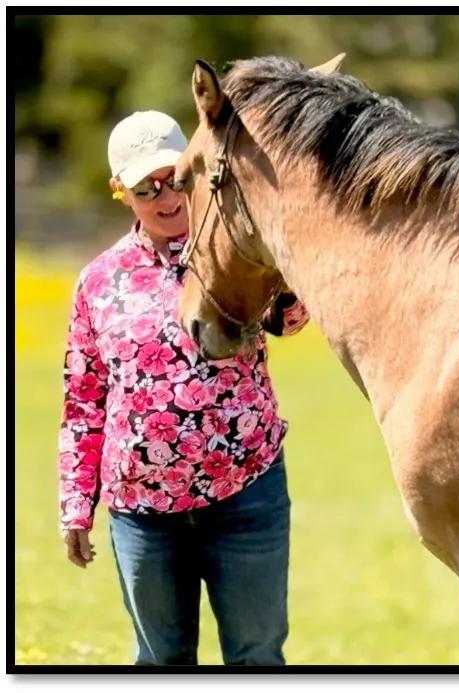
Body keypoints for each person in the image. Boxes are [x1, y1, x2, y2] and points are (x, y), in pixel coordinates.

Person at [57, 110, 309, 666]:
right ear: (121, 192)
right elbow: (83, 402)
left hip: (247, 492)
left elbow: (287, 320)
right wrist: (77, 505)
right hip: (142, 512)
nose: (165, 196)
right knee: (159, 661)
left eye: (174, 178)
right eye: (146, 186)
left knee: (258, 657)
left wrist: (287, 292)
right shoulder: (98, 281)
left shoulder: (236, 253)